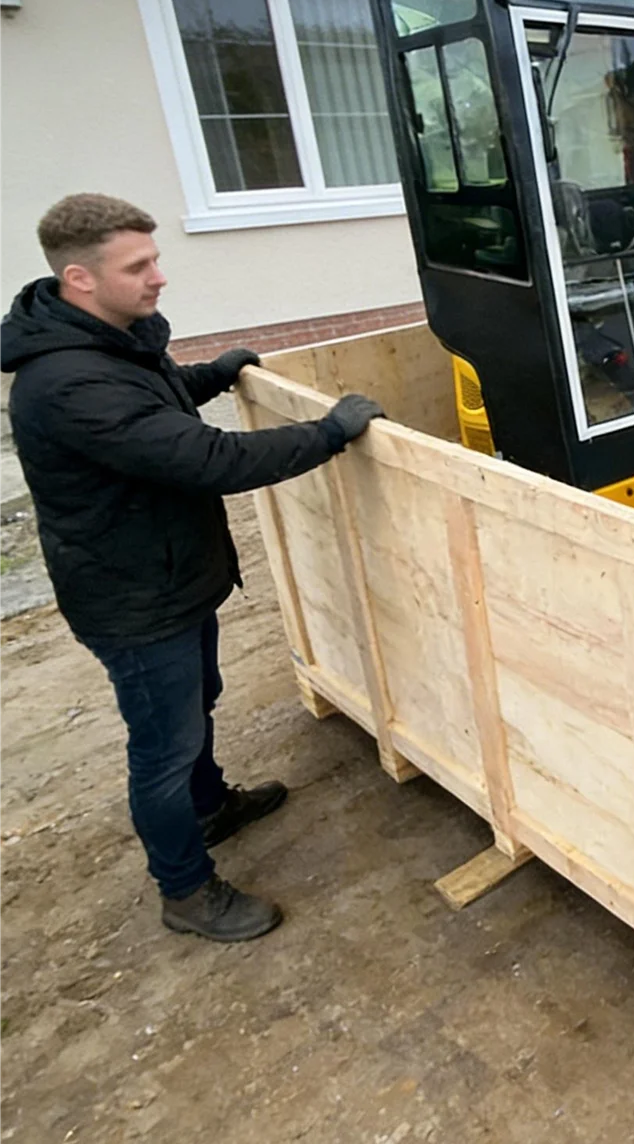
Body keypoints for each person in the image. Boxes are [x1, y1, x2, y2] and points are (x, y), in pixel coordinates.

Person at [0, 194, 385, 943]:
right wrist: (329, 432)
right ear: (80, 278)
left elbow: (155, 403)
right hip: (133, 598)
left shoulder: (107, 339)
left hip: (171, 574)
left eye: (155, 259)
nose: (158, 279)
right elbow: (205, 458)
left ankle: (212, 807)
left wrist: (212, 373)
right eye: (138, 266)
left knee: (197, 701)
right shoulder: (66, 383)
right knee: (164, 747)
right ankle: (185, 890)